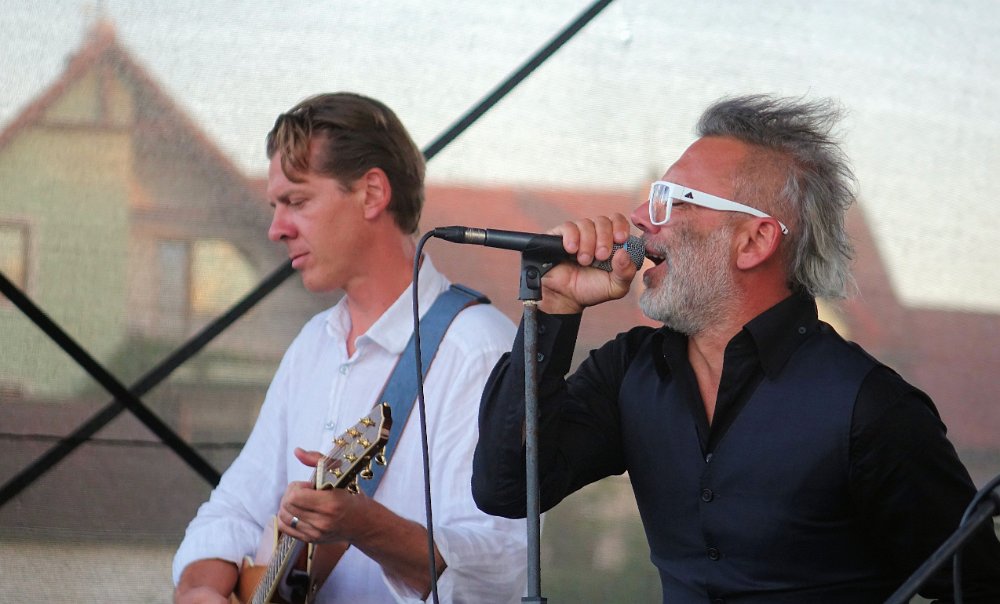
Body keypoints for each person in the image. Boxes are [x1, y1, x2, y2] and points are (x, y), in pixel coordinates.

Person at [471, 94, 1000, 603]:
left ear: (754, 241)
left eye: (671, 199)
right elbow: (505, 488)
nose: (640, 217)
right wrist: (556, 307)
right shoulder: (631, 369)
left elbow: (978, 587)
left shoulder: (870, 408)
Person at [173, 92, 527, 603]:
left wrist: (367, 526)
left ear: (372, 193)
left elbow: (502, 569)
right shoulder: (312, 345)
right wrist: (200, 587)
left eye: (297, 201)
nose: (276, 229)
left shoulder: (479, 351)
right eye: (275, 206)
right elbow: (236, 506)